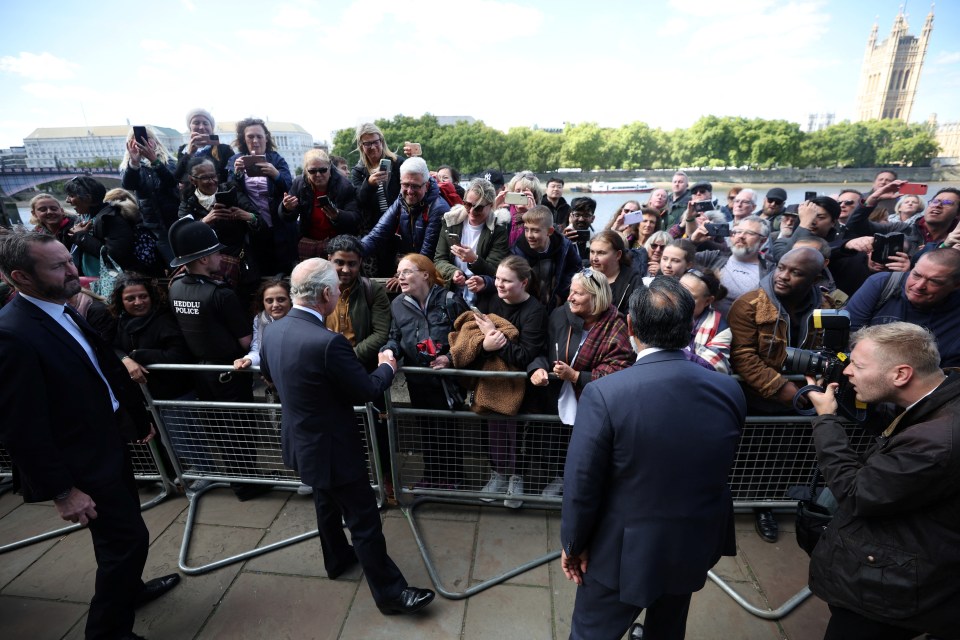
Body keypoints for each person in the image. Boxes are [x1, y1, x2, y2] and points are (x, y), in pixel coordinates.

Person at [0, 231, 180, 640]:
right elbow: (20, 426)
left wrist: (133, 418)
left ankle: (128, 591)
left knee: (121, 535)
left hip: (108, 442)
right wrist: (63, 492)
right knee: (127, 541)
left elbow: (98, 368)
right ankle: (107, 632)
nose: (73, 271)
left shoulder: (60, 308)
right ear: (20, 277)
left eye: (68, 259)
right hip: (81, 464)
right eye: (58, 266)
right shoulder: (12, 335)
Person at [560, 276, 746, 640]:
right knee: (668, 628)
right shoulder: (729, 389)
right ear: (690, 326)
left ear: (630, 326)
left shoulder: (605, 393)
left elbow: (582, 484)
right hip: (694, 541)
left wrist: (574, 544)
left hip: (620, 552)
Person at [259, 257, 436, 616]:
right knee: (364, 522)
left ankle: (337, 560)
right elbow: (366, 391)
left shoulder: (273, 329)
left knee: (325, 507)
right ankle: (390, 595)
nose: (339, 294)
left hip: (300, 443)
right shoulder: (327, 343)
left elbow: (270, 374)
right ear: (326, 293)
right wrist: (387, 366)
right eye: (337, 290)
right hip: (332, 450)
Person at [804, 322, 960, 640]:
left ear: (901, 375)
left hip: (892, 592)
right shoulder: (941, 399)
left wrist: (826, 420)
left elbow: (857, 493)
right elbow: (902, 427)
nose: (847, 371)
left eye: (858, 366)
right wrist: (865, 403)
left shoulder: (935, 442)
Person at [727, 247, 831, 544]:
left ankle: (782, 498)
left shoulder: (825, 304)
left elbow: (829, 349)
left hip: (804, 397)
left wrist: (814, 387)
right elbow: (744, 358)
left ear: (815, 277)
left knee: (783, 456)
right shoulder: (750, 304)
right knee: (754, 455)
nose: (783, 276)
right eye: (782, 267)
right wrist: (788, 391)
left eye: (796, 272)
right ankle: (761, 507)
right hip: (760, 398)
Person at [166, 217, 268, 502]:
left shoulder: (176, 288)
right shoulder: (220, 293)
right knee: (241, 430)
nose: (220, 257)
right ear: (202, 259)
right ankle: (246, 484)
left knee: (220, 429)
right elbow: (246, 341)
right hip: (230, 372)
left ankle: (239, 480)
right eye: (214, 252)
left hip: (202, 371)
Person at [530, 269, 634, 499]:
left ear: (596, 298)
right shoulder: (559, 315)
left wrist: (577, 376)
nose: (570, 298)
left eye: (578, 294)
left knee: (588, 450)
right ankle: (559, 479)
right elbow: (541, 350)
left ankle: (586, 489)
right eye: (570, 291)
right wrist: (537, 368)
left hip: (594, 403)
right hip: (556, 397)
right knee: (554, 444)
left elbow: (619, 370)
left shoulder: (616, 325)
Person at [460, 256, 546, 507]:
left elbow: (526, 356)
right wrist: (486, 345)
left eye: (507, 280)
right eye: (497, 278)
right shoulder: (490, 300)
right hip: (492, 383)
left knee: (517, 435)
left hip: (520, 389)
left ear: (524, 283)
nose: (499, 284)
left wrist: (494, 338)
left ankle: (516, 479)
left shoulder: (536, 311)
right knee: (492, 432)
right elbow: (481, 344)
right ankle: (498, 473)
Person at [382, 253, 468, 489]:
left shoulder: (451, 300)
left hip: (446, 380)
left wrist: (450, 358)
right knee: (426, 429)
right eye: (399, 273)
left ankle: (454, 478)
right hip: (417, 379)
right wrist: (390, 351)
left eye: (407, 272)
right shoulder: (398, 303)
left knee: (447, 430)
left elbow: (469, 337)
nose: (401, 277)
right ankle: (431, 476)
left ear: (425, 275)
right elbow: (395, 337)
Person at [324, 234, 394, 500]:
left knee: (377, 428)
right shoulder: (319, 287)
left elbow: (381, 332)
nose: (345, 269)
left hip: (362, 369)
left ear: (360, 263)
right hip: (328, 371)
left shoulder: (371, 289)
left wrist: (348, 358)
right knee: (338, 430)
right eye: (339, 262)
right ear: (328, 261)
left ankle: (385, 476)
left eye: (351, 263)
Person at [844, 248, 960, 367]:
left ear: (956, 285)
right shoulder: (882, 284)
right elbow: (847, 336)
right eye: (916, 275)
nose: (919, 286)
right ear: (912, 267)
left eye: (934, 282)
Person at [179, 157, 261, 297]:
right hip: (206, 268)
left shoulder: (231, 190)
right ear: (193, 180)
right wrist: (204, 222)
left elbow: (258, 220)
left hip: (238, 263)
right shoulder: (188, 202)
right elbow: (183, 234)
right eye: (205, 178)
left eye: (213, 176)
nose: (212, 181)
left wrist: (248, 216)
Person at [360, 157, 448, 287]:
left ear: (427, 185)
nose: (409, 191)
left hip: (430, 276)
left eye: (415, 186)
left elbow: (426, 254)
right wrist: (351, 253)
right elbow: (377, 234)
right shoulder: (401, 200)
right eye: (405, 185)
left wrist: (403, 273)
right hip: (413, 269)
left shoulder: (438, 208)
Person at [228, 117, 295, 274]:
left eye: (259, 136)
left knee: (282, 267)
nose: (255, 140)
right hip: (252, 225)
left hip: (277, 224)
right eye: (250, 137)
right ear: (244, 140)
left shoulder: (276, 159)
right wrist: (237, 173)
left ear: (266, 138)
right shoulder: (236, 160)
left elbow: (289, 187)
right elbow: (231, 191)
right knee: (260, 268)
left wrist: (276, 174)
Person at [433, 178, 510, 305]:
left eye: (478, 208)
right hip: (452, 292)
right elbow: (439, 260)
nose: (472, 211)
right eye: (468, 205)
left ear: (491, 206)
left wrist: (474, 260)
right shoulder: (450, 222)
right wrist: (454, 273)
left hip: (483, 297)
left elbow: (496, 271)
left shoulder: (498, 230)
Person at [280, 149, 360, 262]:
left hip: (336, 242)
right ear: (306, 172)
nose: (318, 175)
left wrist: (337, 215)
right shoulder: (299, 183)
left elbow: (355, 217)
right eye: (312, 171)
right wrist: (287, 208)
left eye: (323, 170)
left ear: (330, 169)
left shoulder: (345, 186)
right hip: (308, 241)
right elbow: (288, 217)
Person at [845, 183, 960, 259]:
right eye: (935, 201)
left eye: (947, 203)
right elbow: (854, 226)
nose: (938, 205)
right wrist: (873, 199)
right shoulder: (901, 229)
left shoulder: (956, 241)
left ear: (958, 214)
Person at [120, 125, 179, 267]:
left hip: (175, 219)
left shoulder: (169, 162)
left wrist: (154, 160)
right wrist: (134, 163)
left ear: (155, 142)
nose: (141, 142)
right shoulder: (130, 167)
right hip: (154, 225)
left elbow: (171, 182)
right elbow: (128, 185)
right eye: (135, 139)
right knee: (171, 263)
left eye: (146, 138)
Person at [692, 216, 774, 318]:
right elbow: (678, 259)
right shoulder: (714, 257)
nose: (741, 236)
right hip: (705, 325)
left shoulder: (770, 271)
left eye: (749, 233)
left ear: (763, 240)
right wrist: (693, 242)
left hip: (743, 329)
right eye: (738, 231)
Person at [509, 205, 581, 311]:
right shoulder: (517, 250)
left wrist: (560, 296)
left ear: (550, 231)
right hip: (527, 306)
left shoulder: (564, 246)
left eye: (535, 231)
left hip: (558, 304)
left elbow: (576, 269)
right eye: (526, 229)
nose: (529, 235)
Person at [65, 175, 138, 276]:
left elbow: (115, 256)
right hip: (93, 279)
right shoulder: (85, 216)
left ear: (87, 198)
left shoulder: (111, 218)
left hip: (111, 282)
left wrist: (81, 236)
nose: (67, 200)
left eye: (71, 196)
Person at [680, 268, 732, 373]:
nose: (679, 299)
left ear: (708, 301)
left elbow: (712, 367)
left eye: (689, 297)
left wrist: (671, 354)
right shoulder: (660, 311)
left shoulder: (720, 328)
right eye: (677, 291)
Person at [173, 108, 235, 184]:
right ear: (190, 127)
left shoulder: (225, 149)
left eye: (205, 123)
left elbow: (227, 177)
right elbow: (177, 177)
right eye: (196, 123)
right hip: (191, 194)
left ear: (211, 128)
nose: (201, 127)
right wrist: (189, 154)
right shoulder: (184, 149)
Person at [589, 230, 643, 316]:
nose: (594, 258)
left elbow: (634, 316)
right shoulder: (584, 275)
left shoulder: (632, 280)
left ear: (618, 255)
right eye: (592, 252)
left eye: (601, 253)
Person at [563, 197, 597, 265]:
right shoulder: (560, 237)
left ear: (592, 218)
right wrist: (562, 243)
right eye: (577, 215)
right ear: (571, 216)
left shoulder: (597, 240)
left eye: (586, 215)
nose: (581, 219)